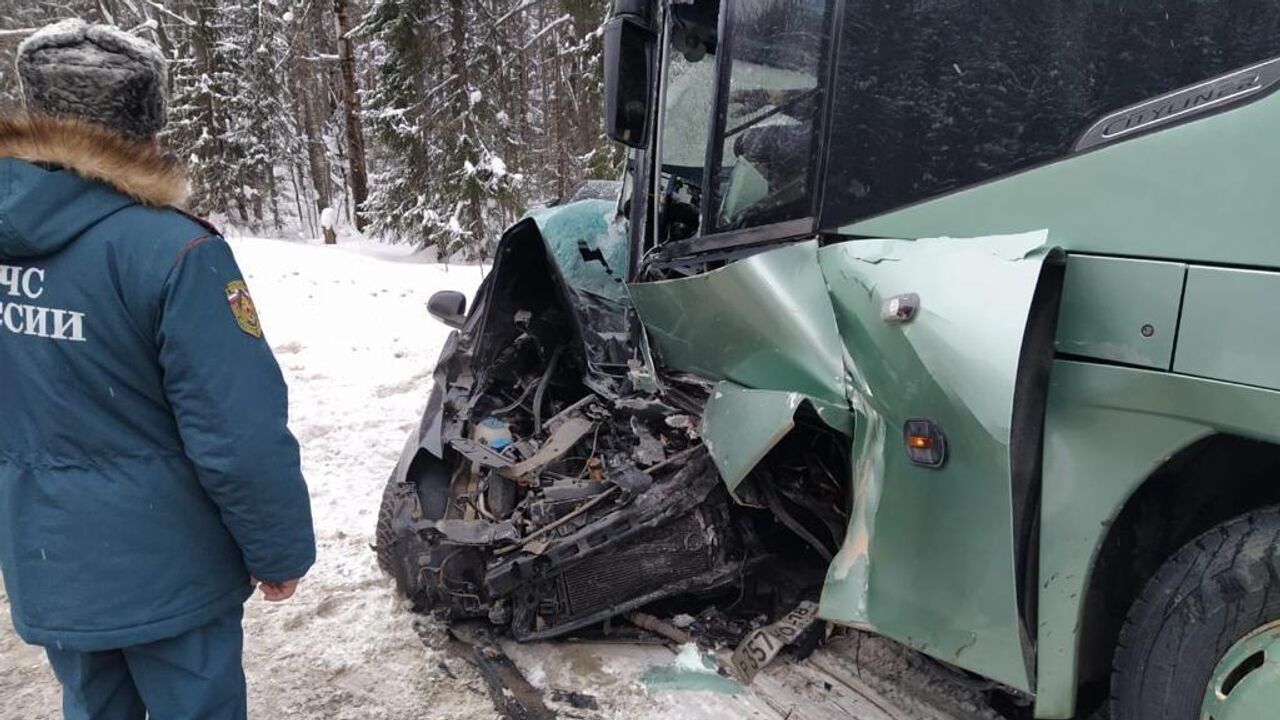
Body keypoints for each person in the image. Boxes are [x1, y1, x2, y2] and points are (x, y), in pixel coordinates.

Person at [0, 20, 316, 720]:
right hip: (168, 570)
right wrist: (279, 550)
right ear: (143, 133)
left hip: (51, 564)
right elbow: (237, 429)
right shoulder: (174, 252)